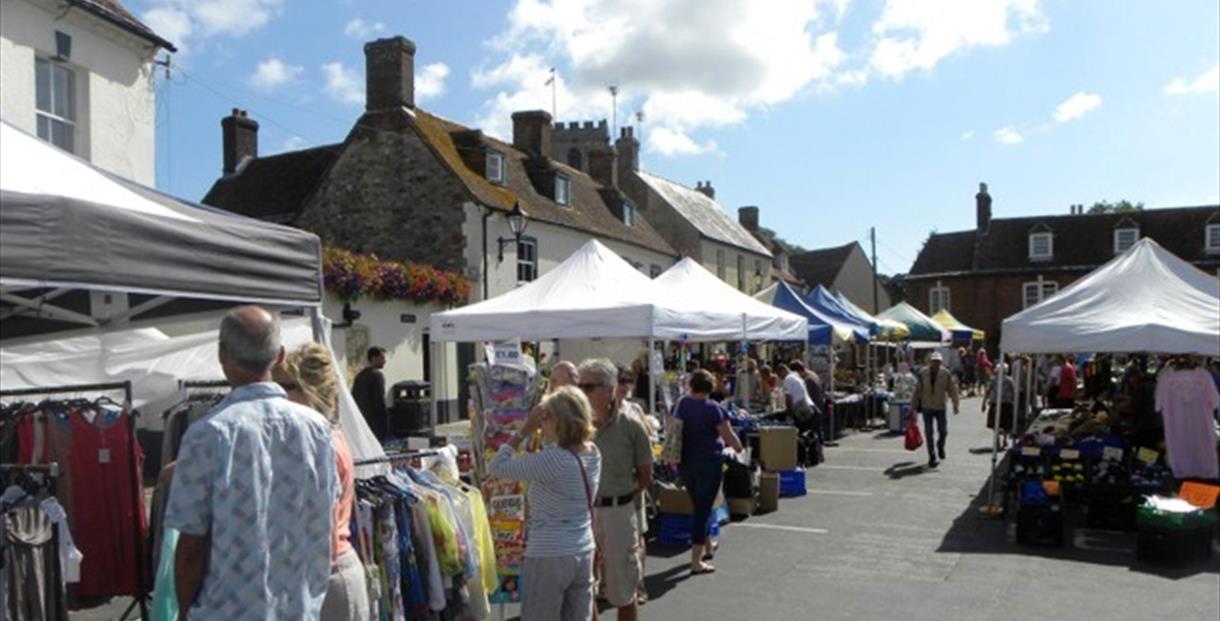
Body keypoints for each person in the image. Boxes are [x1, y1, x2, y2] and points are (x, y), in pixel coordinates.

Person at [166, 306, 338, 620]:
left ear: (222, 354)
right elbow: (326, 522)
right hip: (298, 610)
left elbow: (190, 547)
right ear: (281, 356)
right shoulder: (317, 429)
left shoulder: (207, 435)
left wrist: (185, 610)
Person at [488, 387, 602, 621]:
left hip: (549, 551)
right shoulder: (593, 454)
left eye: (545, 418)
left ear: (558, 421)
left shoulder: (554, 460)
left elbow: (497, 466)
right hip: (583, 546)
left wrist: (523, 430)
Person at [275, 343, 369, 621]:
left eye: (286, 386)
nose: (278, 395)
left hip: (327, 578)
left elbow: (321, 533)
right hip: (329, 574)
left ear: (310, 390)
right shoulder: (324, 436)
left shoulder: (319, 443)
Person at [580, 358, 651, 621]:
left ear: (610, 389)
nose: (581, 392)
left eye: (588, 387)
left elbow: (645, 476)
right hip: (581, 515)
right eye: (580, 385)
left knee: (623, 589)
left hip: (618, 511)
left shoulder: (631, 427)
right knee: (583, 588)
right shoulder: (574, 427)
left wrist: (622, 498)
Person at [674, 369, 744, 575]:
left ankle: (707, 546)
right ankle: (696, 561)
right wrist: (739, 448)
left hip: (685, 462)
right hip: (708, 462)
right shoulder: (715, 409)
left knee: (698, 505)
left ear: (692, 385)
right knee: (703, 510)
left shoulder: (682, 404)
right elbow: (728, 435)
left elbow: (673, 427)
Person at [614, 367, 653, 606]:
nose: (625, 386)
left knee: (636, 537)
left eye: (628, 381)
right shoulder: (596, 412)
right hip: (606, 487)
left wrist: (640, 484)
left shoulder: (635, 409)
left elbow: (647, 446)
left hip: (632, 485)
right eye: (621, 381)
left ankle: (638, 585)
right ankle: (607, 584)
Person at [910, 351, 960, 468]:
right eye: (934, 361)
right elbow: (917, 390)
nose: (936, 363)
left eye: (938, 362)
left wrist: (955, 404)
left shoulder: (945, 373)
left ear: (941, 362)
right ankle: (932, 455)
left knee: (943, 431)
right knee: (928, 432)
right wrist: (912, 406)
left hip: (940, 406)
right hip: (927, 406)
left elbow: (952, 389)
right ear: (930, 362)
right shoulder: (923, 373)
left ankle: (940, 445)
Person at [351, 346, 388, 439]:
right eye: (382, 358)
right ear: (374, 358)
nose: (384, 361)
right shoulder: (377, 375)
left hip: (361, 420)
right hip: (375, 422)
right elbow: (379, 400)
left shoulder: (359, 376)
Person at [984, 363, 1017, 449]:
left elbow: (988, 390)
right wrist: (1013, 400)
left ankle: (997, 438)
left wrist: (984, 402)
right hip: (1007, 403)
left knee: (995, 423)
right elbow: (1014, 391)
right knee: (1006, 423)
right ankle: (1005, 439)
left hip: (995, 402)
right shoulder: (1010, 380)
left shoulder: (993, 380)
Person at [782, 360, 816, 431]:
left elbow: (788, 397)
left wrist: (789, 412)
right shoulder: (798, 378)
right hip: (810, 406)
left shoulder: (788, 379)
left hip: (801, 407)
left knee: (802, 429)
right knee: (811, 430)